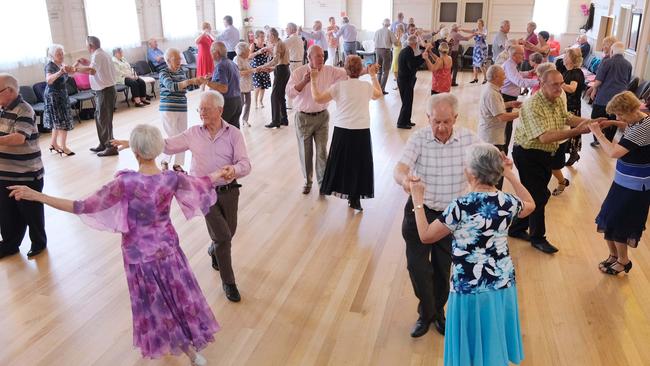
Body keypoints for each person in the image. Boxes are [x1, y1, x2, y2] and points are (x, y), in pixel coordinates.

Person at [10, 124, 222, 365]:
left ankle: (183, 349)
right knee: (177, 295)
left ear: (136, 152)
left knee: (156, 304)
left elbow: (82, 206)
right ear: (156, 149)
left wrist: (38, 196)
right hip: (168, 248)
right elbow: (201, 183)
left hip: (138, 257)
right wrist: (222, 174)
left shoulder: (125, 183)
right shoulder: (171, 179)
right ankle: (192, 352)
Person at [113, 91, 251, 302]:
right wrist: (133, 143)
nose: (201, 112)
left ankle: (214, 249)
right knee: (223, 235)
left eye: (206, 109)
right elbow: (165, 144)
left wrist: (234, 169)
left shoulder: (234, 134)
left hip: (229, 191)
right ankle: (229, 281)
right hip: (202, 191)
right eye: (200, 109)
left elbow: (245, 164)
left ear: (219, 110)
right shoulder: (193, 133)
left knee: (228, 233)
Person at [410, 143, 534, 366]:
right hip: (502, 282)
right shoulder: (507, 202)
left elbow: (426, 236)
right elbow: (531, 205)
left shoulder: (461, 206)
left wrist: (417, 200)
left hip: (469, 285)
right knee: (493, 340)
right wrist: (511, 175)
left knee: (471, 347)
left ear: (472, 172)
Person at [393, 93, 480, 338]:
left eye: (446, 121)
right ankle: (427, 312)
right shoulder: (419, 139)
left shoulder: (469, 139)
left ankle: (436, 312)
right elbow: (400, 169)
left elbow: (487, 159)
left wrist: (501, 164)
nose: (441, 127)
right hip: (421, 211)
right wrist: (406, 182)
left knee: (444, 269)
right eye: (436, 122)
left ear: (455, 118)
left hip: (451, 217)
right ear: (428, 118)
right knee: (418, 268)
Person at [508, 70, 598, 254]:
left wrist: (590, 122)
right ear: (542, 84)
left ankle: (516, 228)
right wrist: (577, 131)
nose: (560, 87)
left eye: (561, 83)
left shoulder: (556, 98)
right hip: (528, 154)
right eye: (555, 84)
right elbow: (545, 137)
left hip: (544, 154)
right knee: (539, 196)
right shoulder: (533, 105)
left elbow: (567, 117)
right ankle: (537, 238)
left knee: (535, 195)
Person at [589, 91, 650, 275]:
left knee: (619, 222)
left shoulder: (643, 127)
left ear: (631, 110)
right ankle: (614, 256)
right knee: (608, 217)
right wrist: (614, 123)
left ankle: (623, 261)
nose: (618, 117)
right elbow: (629, 125)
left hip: (636, 186)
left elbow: (613, 152)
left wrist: (598, 134)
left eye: (620, 114)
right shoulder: (641, 118)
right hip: (624, 181)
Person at [311, 57, 383, 210]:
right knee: (359, 164)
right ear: (360, 69)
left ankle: (330, 188)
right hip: (361, 130)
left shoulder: (339, 87)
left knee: (340, 162)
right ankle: (355, 198)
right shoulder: (366, 86)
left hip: (342, 130)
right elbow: (379, 95)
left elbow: (317, 98)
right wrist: (372, 75)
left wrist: (313, 80)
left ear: (346, 69)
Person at [286, 45, 347, 194]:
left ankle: (323, 183)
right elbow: (289, 93)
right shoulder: (298, 72)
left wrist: (364, 71)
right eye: (317, 56)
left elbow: (346, 74)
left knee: (322, 151)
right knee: (306, 152)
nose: (321, 58)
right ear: (309, 58)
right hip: (303, 118)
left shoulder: (329, 70)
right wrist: (304, 82)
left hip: (322, 117)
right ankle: (308, 181)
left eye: (322, 55)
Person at [0, 73, 47, 260]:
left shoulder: (24, 109)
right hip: (4, 172)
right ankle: (10, 245)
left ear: (9, 91)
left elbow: (18, 138)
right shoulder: (2, 109)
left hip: (27, 174)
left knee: (31, 213)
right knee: (7, 213)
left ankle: (39, 243)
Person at [158, 48, 203, 170]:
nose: (179, 60)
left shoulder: (181, 71)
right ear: (168, 60)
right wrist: (188, 82)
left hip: (182, 107)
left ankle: (177, 164)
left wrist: (199, 81)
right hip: (168, 108)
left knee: (183, 137)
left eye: (179, 58)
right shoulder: (163, 73)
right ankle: (165, 160)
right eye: (176, 58)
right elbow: (172, 87)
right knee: (173, 137)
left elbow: (186, 88)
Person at [74, 36, 118, 157]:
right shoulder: (101, 54)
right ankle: (103, 143)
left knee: (104, 119)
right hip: (103, 91)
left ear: (91, 46)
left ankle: (111, 147)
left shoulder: (98, 55)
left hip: (105, 91)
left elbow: (92, 71)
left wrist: (75, 69)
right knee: (100, 118)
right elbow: (96, 68)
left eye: (86, 45)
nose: (86, 47)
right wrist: (87, 63)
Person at [478, 65, 521, 189]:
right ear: (496, 77)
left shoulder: (492, 89)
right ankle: (495, 196)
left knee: (493, 170)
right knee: (495, 172)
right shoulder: (492, 93)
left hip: (491, 136)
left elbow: (494, 107)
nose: (505, 77)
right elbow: (501, 116)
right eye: (503, 75)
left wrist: (510, 104)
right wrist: (521, 113)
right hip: (492, 139)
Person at [589, 42, 632, 145]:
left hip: (604, 96)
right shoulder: (628, 64)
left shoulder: (607, 62)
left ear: (612, 51)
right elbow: (628, 81)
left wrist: (593, 90)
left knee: (596, 116)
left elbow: (598, 81)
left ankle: (597, 139)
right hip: (620, 98)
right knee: (614, 119)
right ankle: (608, 140)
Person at [500, 45, 539, 152]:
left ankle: (504, 150)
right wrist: (539, 81)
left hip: (508, 95)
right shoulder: (509, 65)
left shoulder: (511, 64)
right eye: (521, 54)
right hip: (505, 96)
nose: (523, 56)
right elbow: (519, 82)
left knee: (507, 125)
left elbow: (517, 75)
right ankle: (503, 151)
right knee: (506, 126)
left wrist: (528, 73)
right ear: (513, 55)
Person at [43, 44, 76, 156]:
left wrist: (75, 65)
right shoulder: (50, 66)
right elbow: (49, 80)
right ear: (52, 55)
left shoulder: (62, 64)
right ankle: (63, 147)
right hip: (54, 96)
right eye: (58, 54)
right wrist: (60, 72)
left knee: (57, 122)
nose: (61, 55)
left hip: (62, 94)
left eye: (62, 53)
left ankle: (53, 144)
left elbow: (71, 73)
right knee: (62, 121)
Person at [205, 41, 242, 128]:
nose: (211, 55)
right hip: (237, 101)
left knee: (220, 131)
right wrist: (213, 78)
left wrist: (207, 82)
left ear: (216, 53)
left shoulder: (220, 66)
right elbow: (230, 79)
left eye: (211, 52)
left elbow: (224, 88)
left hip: (227, 103)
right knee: (234, 132)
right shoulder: (232, 63)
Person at [258, 28, 290, 129]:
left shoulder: (278, 45)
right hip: (284, 69)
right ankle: (284, 119)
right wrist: (272, 69)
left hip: (281, 71)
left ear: (272, 35)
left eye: (268, 36)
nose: (267, 38)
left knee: (274, 96)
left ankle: (276, 121)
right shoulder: (280, 43)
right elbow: (280, 61)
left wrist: (263, 66)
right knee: (280, 96)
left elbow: (276, 60)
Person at [561, 48, 586, 168]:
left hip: (572, 105)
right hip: (565, 104)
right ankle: (571, 152)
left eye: (566, 55)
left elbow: (572, 89)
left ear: (572, 59)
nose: (564, 57)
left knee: (571, 130)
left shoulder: (576, 73)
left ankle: (573, 153)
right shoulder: (566, 72)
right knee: (565, 130)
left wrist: (559, 84)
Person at [396, 36, 426, 129]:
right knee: (406, 102)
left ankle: (407, 121)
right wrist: (423, 59)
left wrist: (421, 56)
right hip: (405, 80)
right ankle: (401, 123)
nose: (417, 44)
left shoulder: (406, 50)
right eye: (417, 43)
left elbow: (413, 60)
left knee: (408, 101)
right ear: (414, 43)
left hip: (404, 79)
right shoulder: (408, 52)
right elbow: (412, 65)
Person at [234, 42, 257, 127]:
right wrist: (252, 71)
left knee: (248, 102)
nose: (249, 51)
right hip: (240, 84)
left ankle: (245, 120)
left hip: (247, 83)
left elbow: (249, 69)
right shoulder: (237, 59)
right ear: (243, 51)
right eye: (248, 50)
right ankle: (236, 120)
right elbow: (238, 73)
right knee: (241, 103)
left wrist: (256, 69)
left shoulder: (245, 59)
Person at [374, 18, 398, 94]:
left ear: (382, 24)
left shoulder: (377, 31)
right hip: (386, 51)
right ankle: (382, 89)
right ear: (389, 25)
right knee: (386, 71)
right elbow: (396, 43)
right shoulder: (389, 32)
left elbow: (374, 40)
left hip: (377, 50)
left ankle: (377, 88)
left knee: (379, 70)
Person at [461, 19, 488, 84]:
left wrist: (478, 33)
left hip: (481, 49)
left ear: (482, 24)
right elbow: (469, 31)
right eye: (477, 23)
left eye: (479, 23)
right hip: (476, 49)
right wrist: (461, 29)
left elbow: (484, 35)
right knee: (475, 64)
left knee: (481, 64)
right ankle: (475, 78)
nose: (478, 25)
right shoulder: (475, 30)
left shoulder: (484, 30)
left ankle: (485, 78)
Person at [285, 22, 305, 110]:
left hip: (293, 63)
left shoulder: (292, 38)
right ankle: (296, 102)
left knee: (290, 83)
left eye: (287, 28)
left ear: (292, 29)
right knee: (297, 83)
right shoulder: (299, 38)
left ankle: (289, 104)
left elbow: (281, 46)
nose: (286, 30)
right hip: (299, 63)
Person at [250, 30, 272, 109]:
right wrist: (258, 52)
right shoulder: (253, 45)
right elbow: (249, 56)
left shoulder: (266, 45)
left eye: (264, 36)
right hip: (256, 68)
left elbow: (271, 56)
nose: (263, 38)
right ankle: (255, 102)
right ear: (257, 37)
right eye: (261, 36)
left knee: (263, 87)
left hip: (264, 67)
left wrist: (269, 52)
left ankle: (261, 101)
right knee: (258, 86)